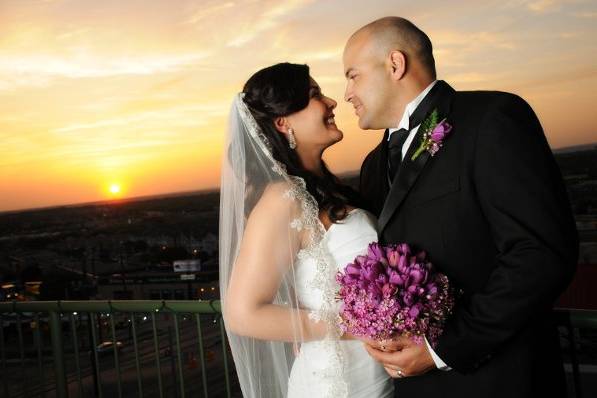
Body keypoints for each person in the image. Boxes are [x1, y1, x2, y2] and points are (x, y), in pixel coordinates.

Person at [343, 16, 579, 398]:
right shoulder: (373, 165)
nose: (347, 92)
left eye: (353, 75)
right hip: (411, 386)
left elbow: (540, 254)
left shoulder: (491, 118)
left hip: (498, 380)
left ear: (395, 64)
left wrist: (443, 349)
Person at [219, 63, 394, 398]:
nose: (331, 102)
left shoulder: (328, 190)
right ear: (283, 122)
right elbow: (243, 314)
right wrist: (358, 323)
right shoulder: (282, 198)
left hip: (372, 375)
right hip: (335, 384)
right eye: (315, 95)